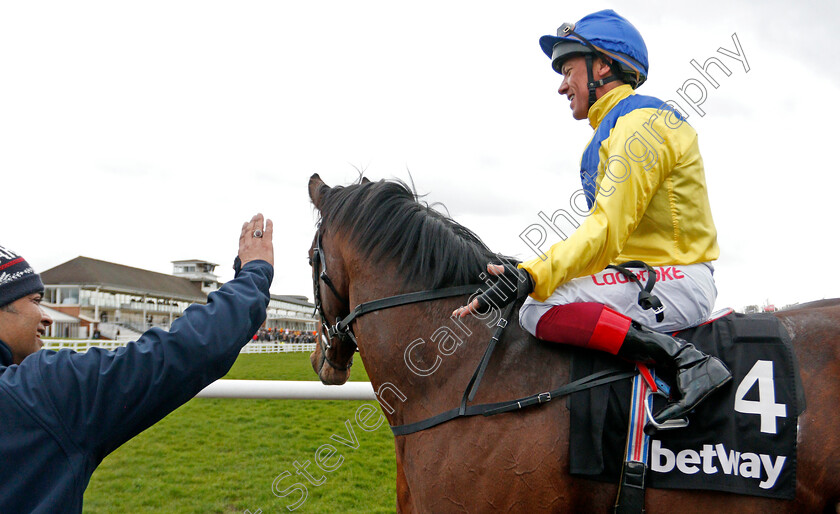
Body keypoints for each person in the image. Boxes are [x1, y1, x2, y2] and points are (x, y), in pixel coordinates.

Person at [454, 10, 731, 424]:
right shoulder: (616, 127)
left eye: (568, 70)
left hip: (680, 277)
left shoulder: (641, 128)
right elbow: (606, 239)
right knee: (540, 290)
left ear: (602, 65)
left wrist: (533, 275)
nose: (562, 85)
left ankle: (686, 361)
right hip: (646, 273)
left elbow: (605, 231)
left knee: (535, 306)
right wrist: (531, 268)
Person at [0, 214, 274, 512]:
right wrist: (254, 275)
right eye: (36, 300)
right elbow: (182, 352)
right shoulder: (40, 392)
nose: (47, 316)